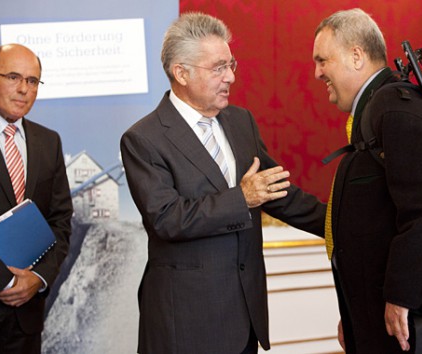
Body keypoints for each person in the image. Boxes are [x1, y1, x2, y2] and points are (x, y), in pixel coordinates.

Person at [120, 12, 325, 354]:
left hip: (244, 314)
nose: (230, 77)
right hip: (185, 322)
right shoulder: (144, 138)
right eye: (218, 68)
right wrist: (241, 198)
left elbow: (274, 192)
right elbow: (166, 219)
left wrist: (339, 221)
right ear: (181, 73)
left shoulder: (240, 121)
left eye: (231, 65)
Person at [313, 8, 422, 354]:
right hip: (387, 318)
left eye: (322, 60)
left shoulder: (394, 108)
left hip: (411, 322)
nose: (317, 72)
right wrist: (355, 313)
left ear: (356, 55)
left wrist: (400, 296)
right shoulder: (378, 109)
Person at [0, 44, 73, 353]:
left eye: (33, 81)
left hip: (26, 320)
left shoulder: (49, 142)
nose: (24, 89)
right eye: (13, 77)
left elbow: (60, 221)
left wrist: (37, 278)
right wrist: (4, 282)